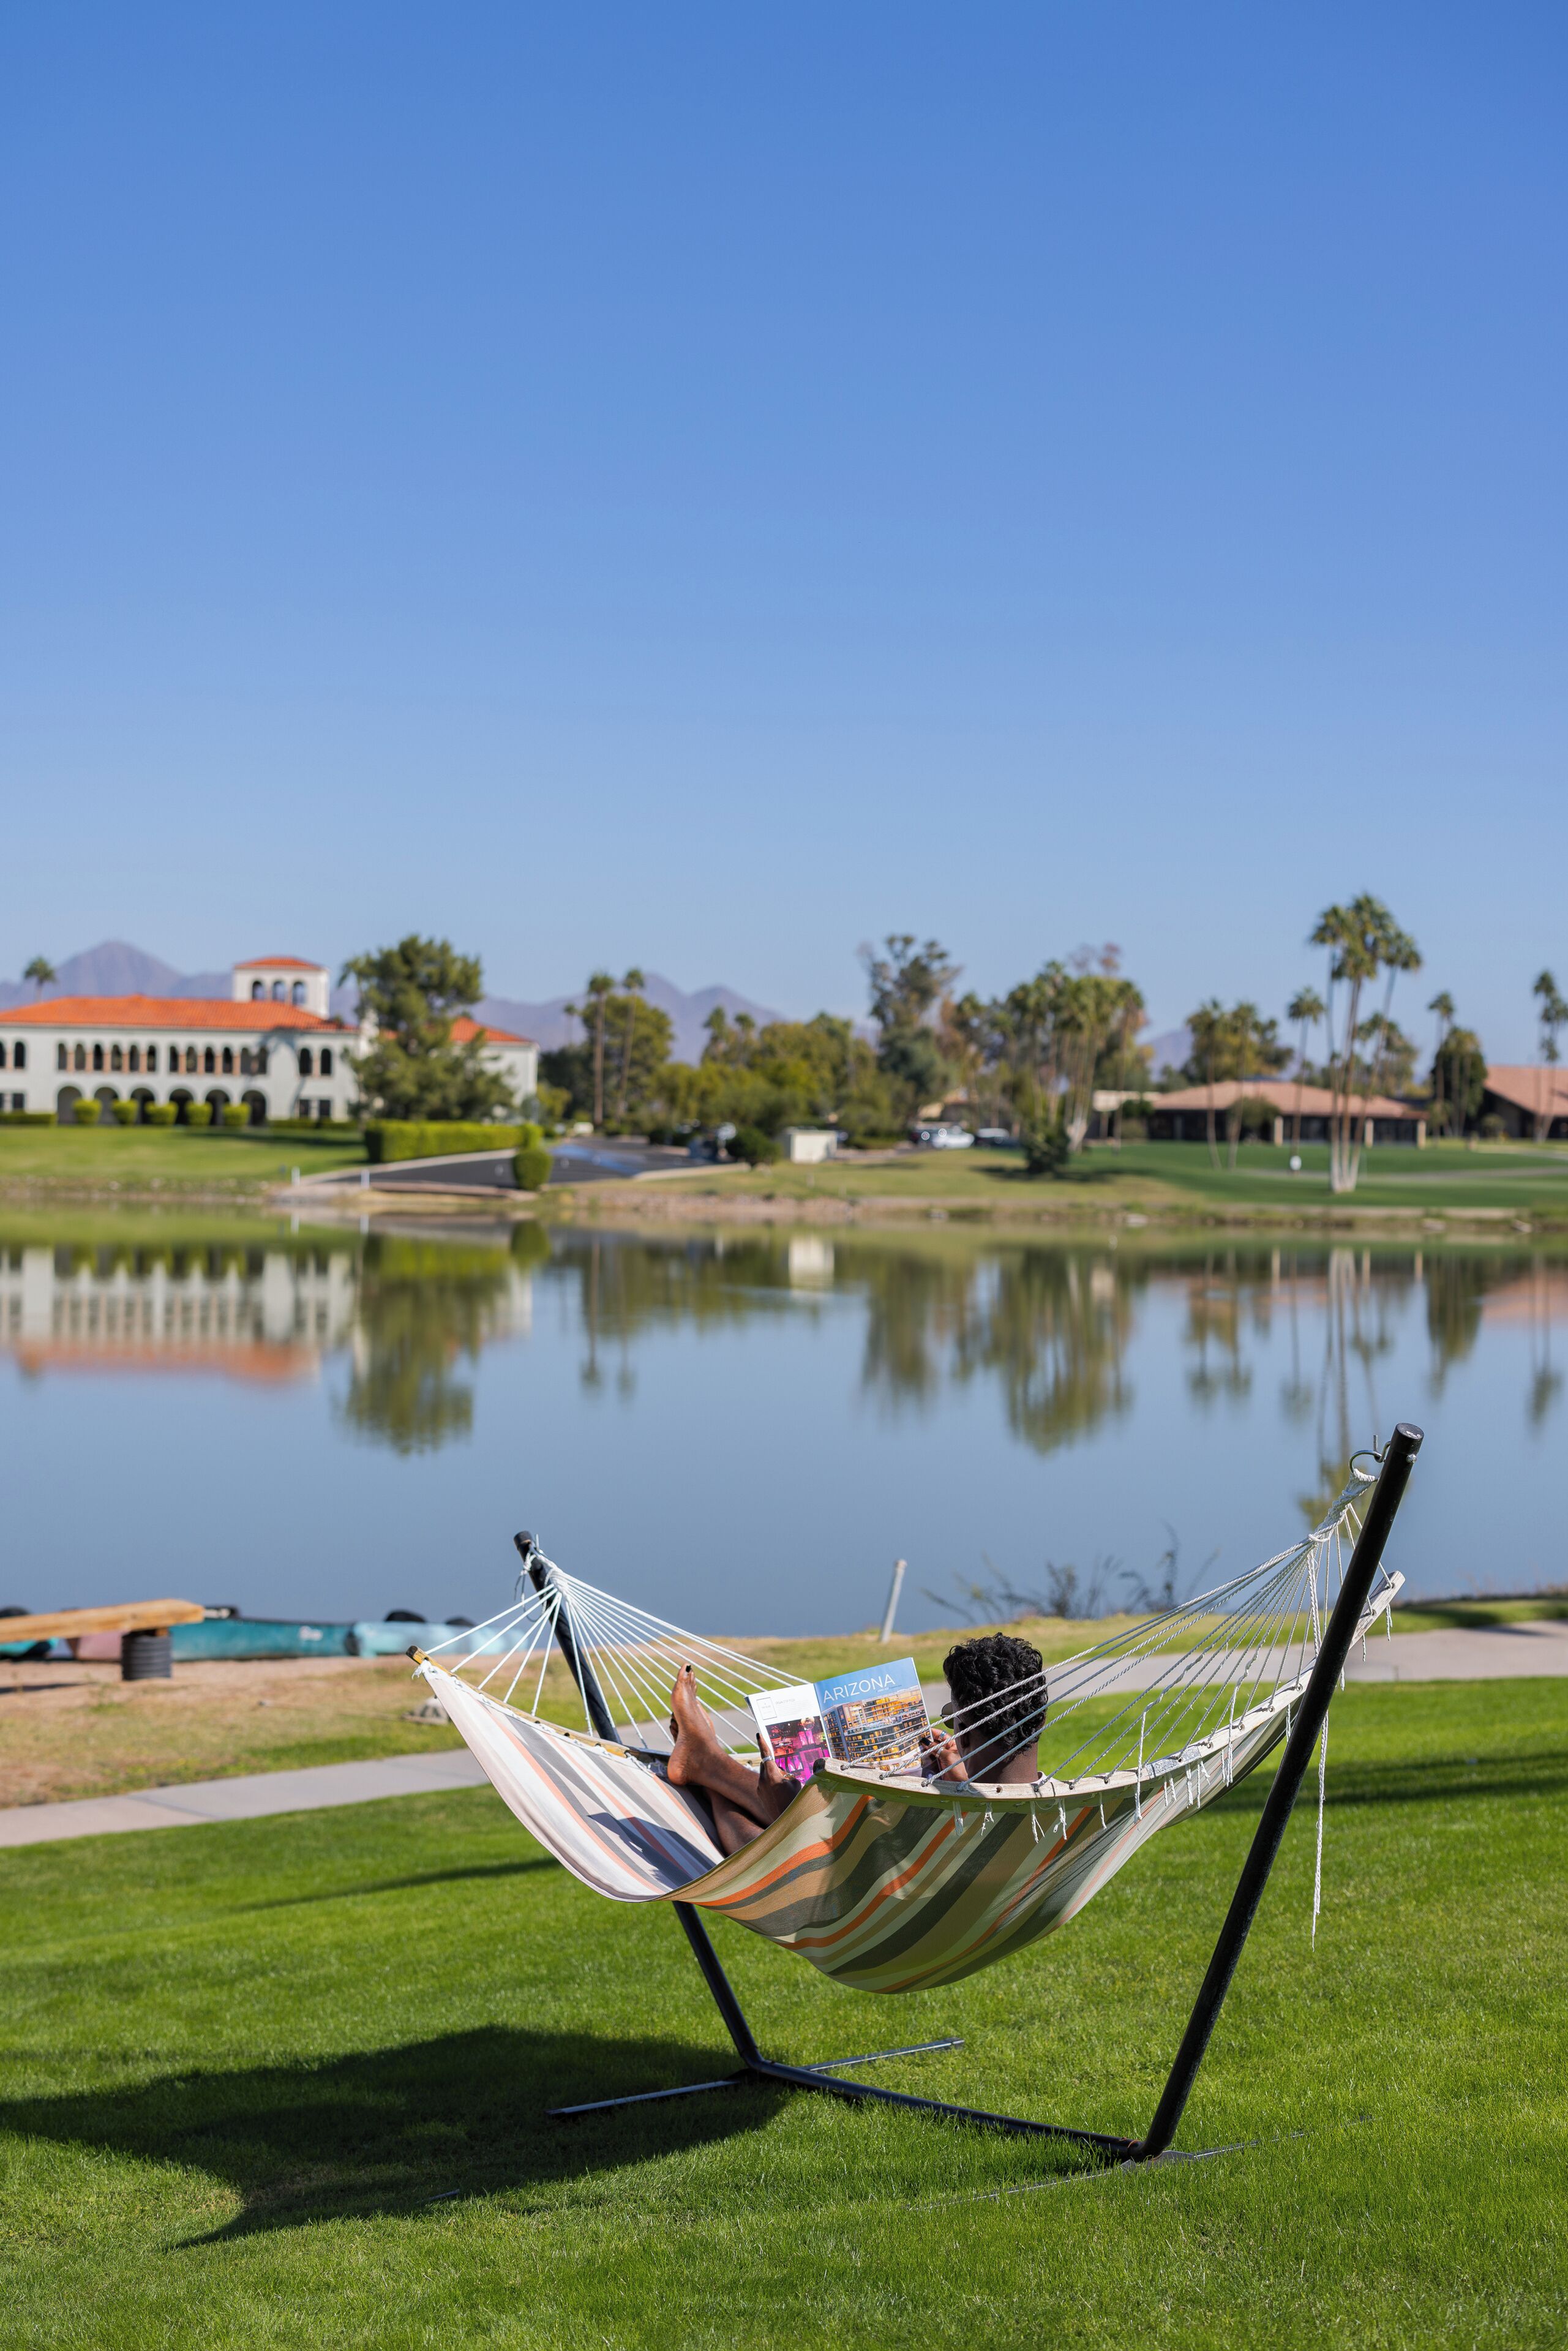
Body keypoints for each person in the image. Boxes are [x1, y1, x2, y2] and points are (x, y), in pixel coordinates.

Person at [665, 1631, 1049, 1853]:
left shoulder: (956, 1820)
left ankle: (708, 1769)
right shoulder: (1060, 1809)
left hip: (854, 1892)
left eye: (952, 1715)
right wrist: (958, 1766)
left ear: (965, 1724)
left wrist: (791, 1815)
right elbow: (1000, 1794)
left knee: (788, 1824)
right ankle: (705, 1766)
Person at [923, 1632, 1048, 1787]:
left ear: (964, 1736)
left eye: (950, 1717)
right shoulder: (1078, 1804)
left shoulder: (945, 1810)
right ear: (1041, 1721)